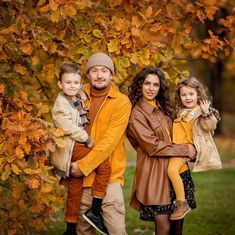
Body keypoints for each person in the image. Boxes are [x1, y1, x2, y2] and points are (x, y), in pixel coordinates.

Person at [127, 67, 197, 235]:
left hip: (176, 172)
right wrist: (185, 149)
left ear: (160, 88)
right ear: (140, 85)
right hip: (155, 176)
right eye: (147, 84)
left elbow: (182, 132)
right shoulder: (137, 114)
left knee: (177, 228)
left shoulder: (164, 108)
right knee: (163, 228)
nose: (151, 88)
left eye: (156, 85)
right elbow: (152, 146)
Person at [69, 52, 132, 235]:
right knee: (83, 232)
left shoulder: (121, 102)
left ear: (111, 74)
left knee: (117, 231)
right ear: (87, 74)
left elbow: (108, 142)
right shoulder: (75, 96)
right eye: (94, 70)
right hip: (81, 181)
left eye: (104, 70)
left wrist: (83, 165)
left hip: (109, 180)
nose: (99, 75)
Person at [51, 61, 112, 235]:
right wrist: (87, 139)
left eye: (76, 83)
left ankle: (70, 229)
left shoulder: (79, 97)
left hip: (76, 146)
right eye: (68, 82)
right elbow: (67, 126)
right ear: (60, 84)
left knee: (75, 191)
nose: (72, 86)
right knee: (104, 166)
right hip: (73, 147)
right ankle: (95, 211)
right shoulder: (60, 105)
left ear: (80, 83)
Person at [167, 76, 222, 220]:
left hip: (185, 149)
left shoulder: (200, 112)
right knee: (179, 171)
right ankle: (185, 194)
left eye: (191, 94)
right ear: (179, 97)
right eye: (184, 94)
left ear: (198, 94)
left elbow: (210, 126)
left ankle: (181, 203)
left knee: (171, 170)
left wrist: (206, 113)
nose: (188, 97)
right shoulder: (181, 112)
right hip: (177, 149)